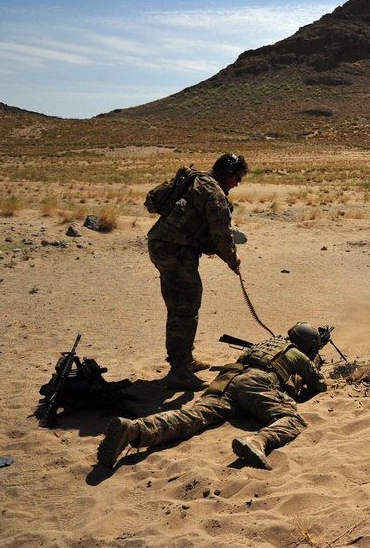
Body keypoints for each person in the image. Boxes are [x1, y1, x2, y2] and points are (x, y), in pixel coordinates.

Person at [97, 322, 327, 470]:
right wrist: (315, 363)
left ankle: (135, 429)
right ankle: (257, 442)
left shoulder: (263, 345)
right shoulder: (296, 353)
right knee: (292, 419)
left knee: (195, 415)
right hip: (256, 384)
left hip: (227, 380)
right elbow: (318, 385)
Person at [147, 153, 248, 391]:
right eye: (237, 178)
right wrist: (233, 260)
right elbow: (221, 235)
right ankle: (179, 371)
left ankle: (185, 361)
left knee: (181, 304)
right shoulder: (214, 194)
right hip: (175, 251)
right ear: (227, 173)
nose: (237, 184)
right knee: (184, 307)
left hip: (165, 246)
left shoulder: (197, 180)